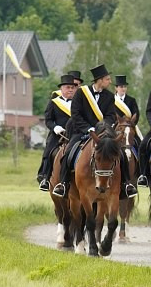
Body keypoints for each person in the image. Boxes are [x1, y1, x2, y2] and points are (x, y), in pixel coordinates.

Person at [52, 64, 138, 200]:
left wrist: (102, 127)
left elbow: (110, 115)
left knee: (120, 153)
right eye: (107, 79)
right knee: (68, 153)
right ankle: (63, 183)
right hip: (81, 131)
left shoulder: (109, 96)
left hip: (103, 133)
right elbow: (75, 114)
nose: (110, 82)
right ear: (100, 80)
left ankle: (126, 184)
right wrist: (88, 128)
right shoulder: (81, 93)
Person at [37, 75, 76, 190]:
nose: (70, 90)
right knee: (50, 152)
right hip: (58, 134)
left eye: (72, 88)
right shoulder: (54, 102)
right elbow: (48, 120)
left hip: (74, 133)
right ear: (62, 89)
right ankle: (45, 178)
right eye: (68, 87)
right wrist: (55, 127)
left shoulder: (79, 103)